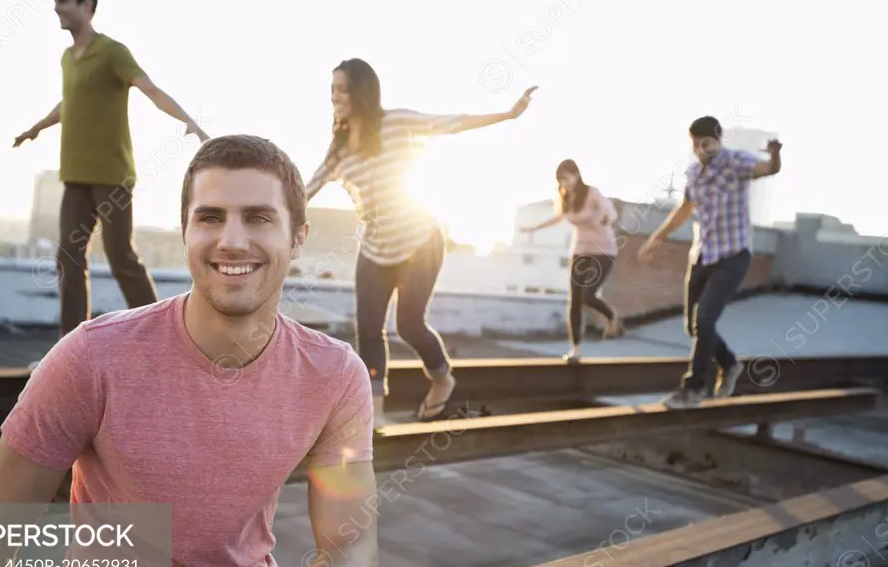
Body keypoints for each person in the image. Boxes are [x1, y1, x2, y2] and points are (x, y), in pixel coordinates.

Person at [0, 135, 444, 567]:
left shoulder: (334, 374)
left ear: (297, 237)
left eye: (258, 218)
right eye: (210, 217)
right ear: (186, 231)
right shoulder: (92, 358)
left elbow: (353, 550)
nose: (232, 240)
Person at [304, 57, 537, 427]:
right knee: (368, 331)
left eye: (342, 89)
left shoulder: (397, 122)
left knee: (410, 325)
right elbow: (305, 191)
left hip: (421, 243)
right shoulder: (339, 150)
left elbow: (452, 123)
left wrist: (508, 115)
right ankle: (375, 414)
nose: (334, 97)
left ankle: (443, 379)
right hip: (376, 250)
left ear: (362, 91)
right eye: (331, 90)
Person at [13, 0, 210, 356]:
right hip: (75, 175)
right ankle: (70, 349)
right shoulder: (68, 58)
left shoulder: (112, 52)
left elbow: (149, 88)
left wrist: (189, 121)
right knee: (67, 258)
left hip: (112, 176)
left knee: (121, 256)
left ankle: (165, 336)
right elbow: (68, 104)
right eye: (55, 0)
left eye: (64, 0)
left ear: (87, 5)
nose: (57, 7)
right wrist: (34, 129)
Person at [638, 116, 782, 408]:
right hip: (702, 255)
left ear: (718, 139)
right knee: (693, 327)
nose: (701, 149)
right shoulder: (693, 174)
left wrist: (775, 155)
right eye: (695, 144)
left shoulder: (736, 162)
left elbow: (767, 169)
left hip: (733, 255)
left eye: (706, 142)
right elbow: (684, 209)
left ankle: (694, 388)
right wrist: (657, 237)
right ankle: (729, 364)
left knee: (705, 320)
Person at [521, 159, 623, 362]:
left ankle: (611, 315)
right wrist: (532, 229)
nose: (564, 183)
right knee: (574, 300)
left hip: (603, 250)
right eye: (561, 180)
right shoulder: (566, 198)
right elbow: (557, 218)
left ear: (576, 175)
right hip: (579, 251)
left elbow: (611, 213)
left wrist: (606, 218)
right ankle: (575, 349)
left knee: (587, 295)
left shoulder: (592, 193)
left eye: (567, 178)